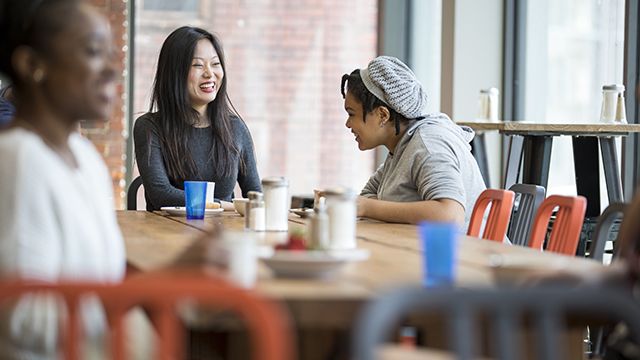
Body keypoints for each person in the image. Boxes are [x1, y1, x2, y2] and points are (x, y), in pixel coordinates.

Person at [0, 0, 127, 357]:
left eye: (112, 53)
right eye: (92, 52)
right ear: (32, 65)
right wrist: (154, 290)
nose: (112, 69)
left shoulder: (86, 158)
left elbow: (104, 287)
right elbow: (23, 316)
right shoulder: (17, 159)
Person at [341, 56, 486, 228]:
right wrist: (364, 206)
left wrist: (367, 208)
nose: (347, 124)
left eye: (351, 114)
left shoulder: (428, 145)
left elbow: (451, 215)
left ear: (382, 115)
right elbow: (366, 197)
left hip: (467, 253)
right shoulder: (400, 148)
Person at [134, 26, 261, 211]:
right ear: (175, 73)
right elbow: (161, 194)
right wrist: (224, 206)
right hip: (167, 234)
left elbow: (255, 195)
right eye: (198, 65)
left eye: (215, 64)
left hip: (222, 235)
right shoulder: (149, 127)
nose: (210, 73)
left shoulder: (235, 127)